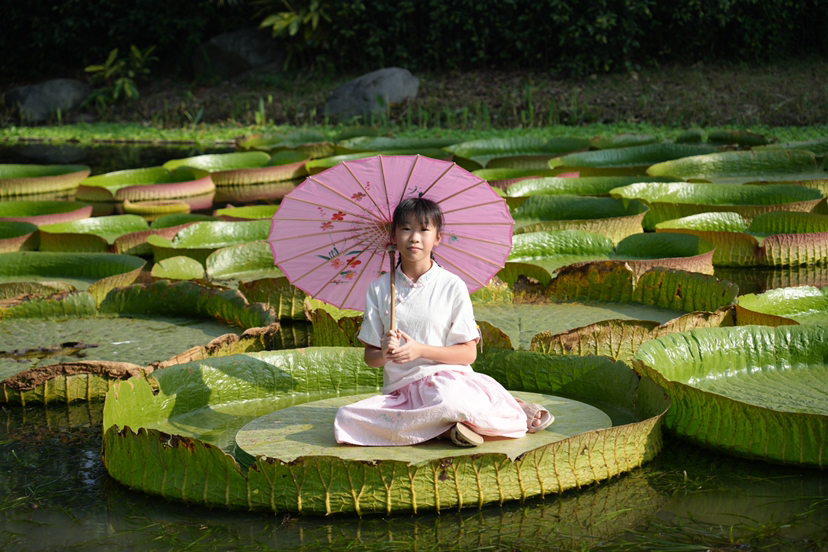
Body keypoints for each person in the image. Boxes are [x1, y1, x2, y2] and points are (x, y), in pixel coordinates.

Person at [334, 197, 554, 447]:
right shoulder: (379, 289)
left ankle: (474, 415)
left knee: (448, 401)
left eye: (424, 229)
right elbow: (371, 358)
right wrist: (385, 352)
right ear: (393, 236)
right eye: (405, 229)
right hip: (401, 394)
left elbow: (468, 353)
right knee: (346, 418)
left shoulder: (452, 285)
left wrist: (420, 351)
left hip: (447, 382)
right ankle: (448, 428)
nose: (414, 237)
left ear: (437, 237)